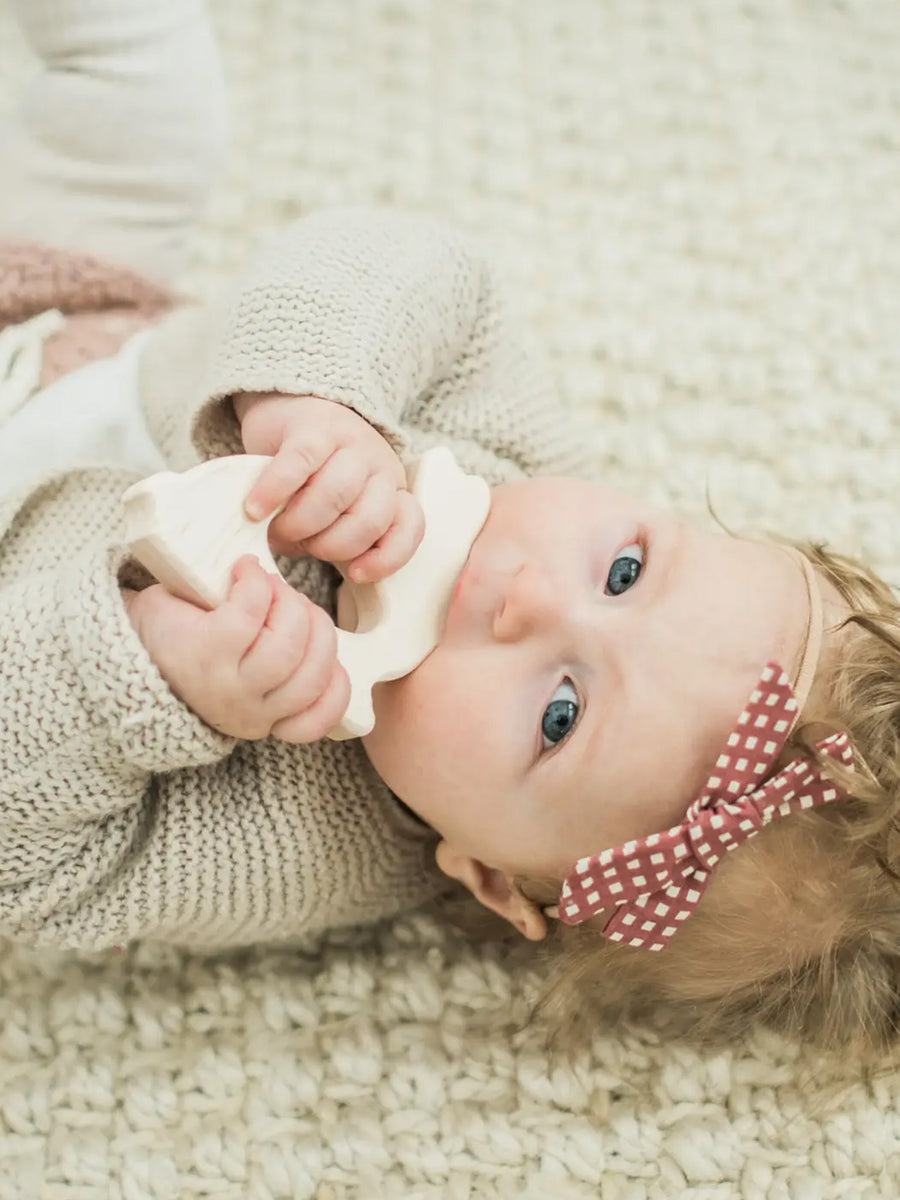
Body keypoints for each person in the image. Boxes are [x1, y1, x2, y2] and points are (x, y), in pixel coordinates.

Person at [1, 0, 898, 1060]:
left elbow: (27, 857)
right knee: (153, 90)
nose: (527, 594)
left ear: (489, 874)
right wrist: (323, 396)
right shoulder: (503, 456)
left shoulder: (293, 848)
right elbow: (408, 263)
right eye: (623, 569)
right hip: (79, 307)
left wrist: (150, 678)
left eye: (560, 714)